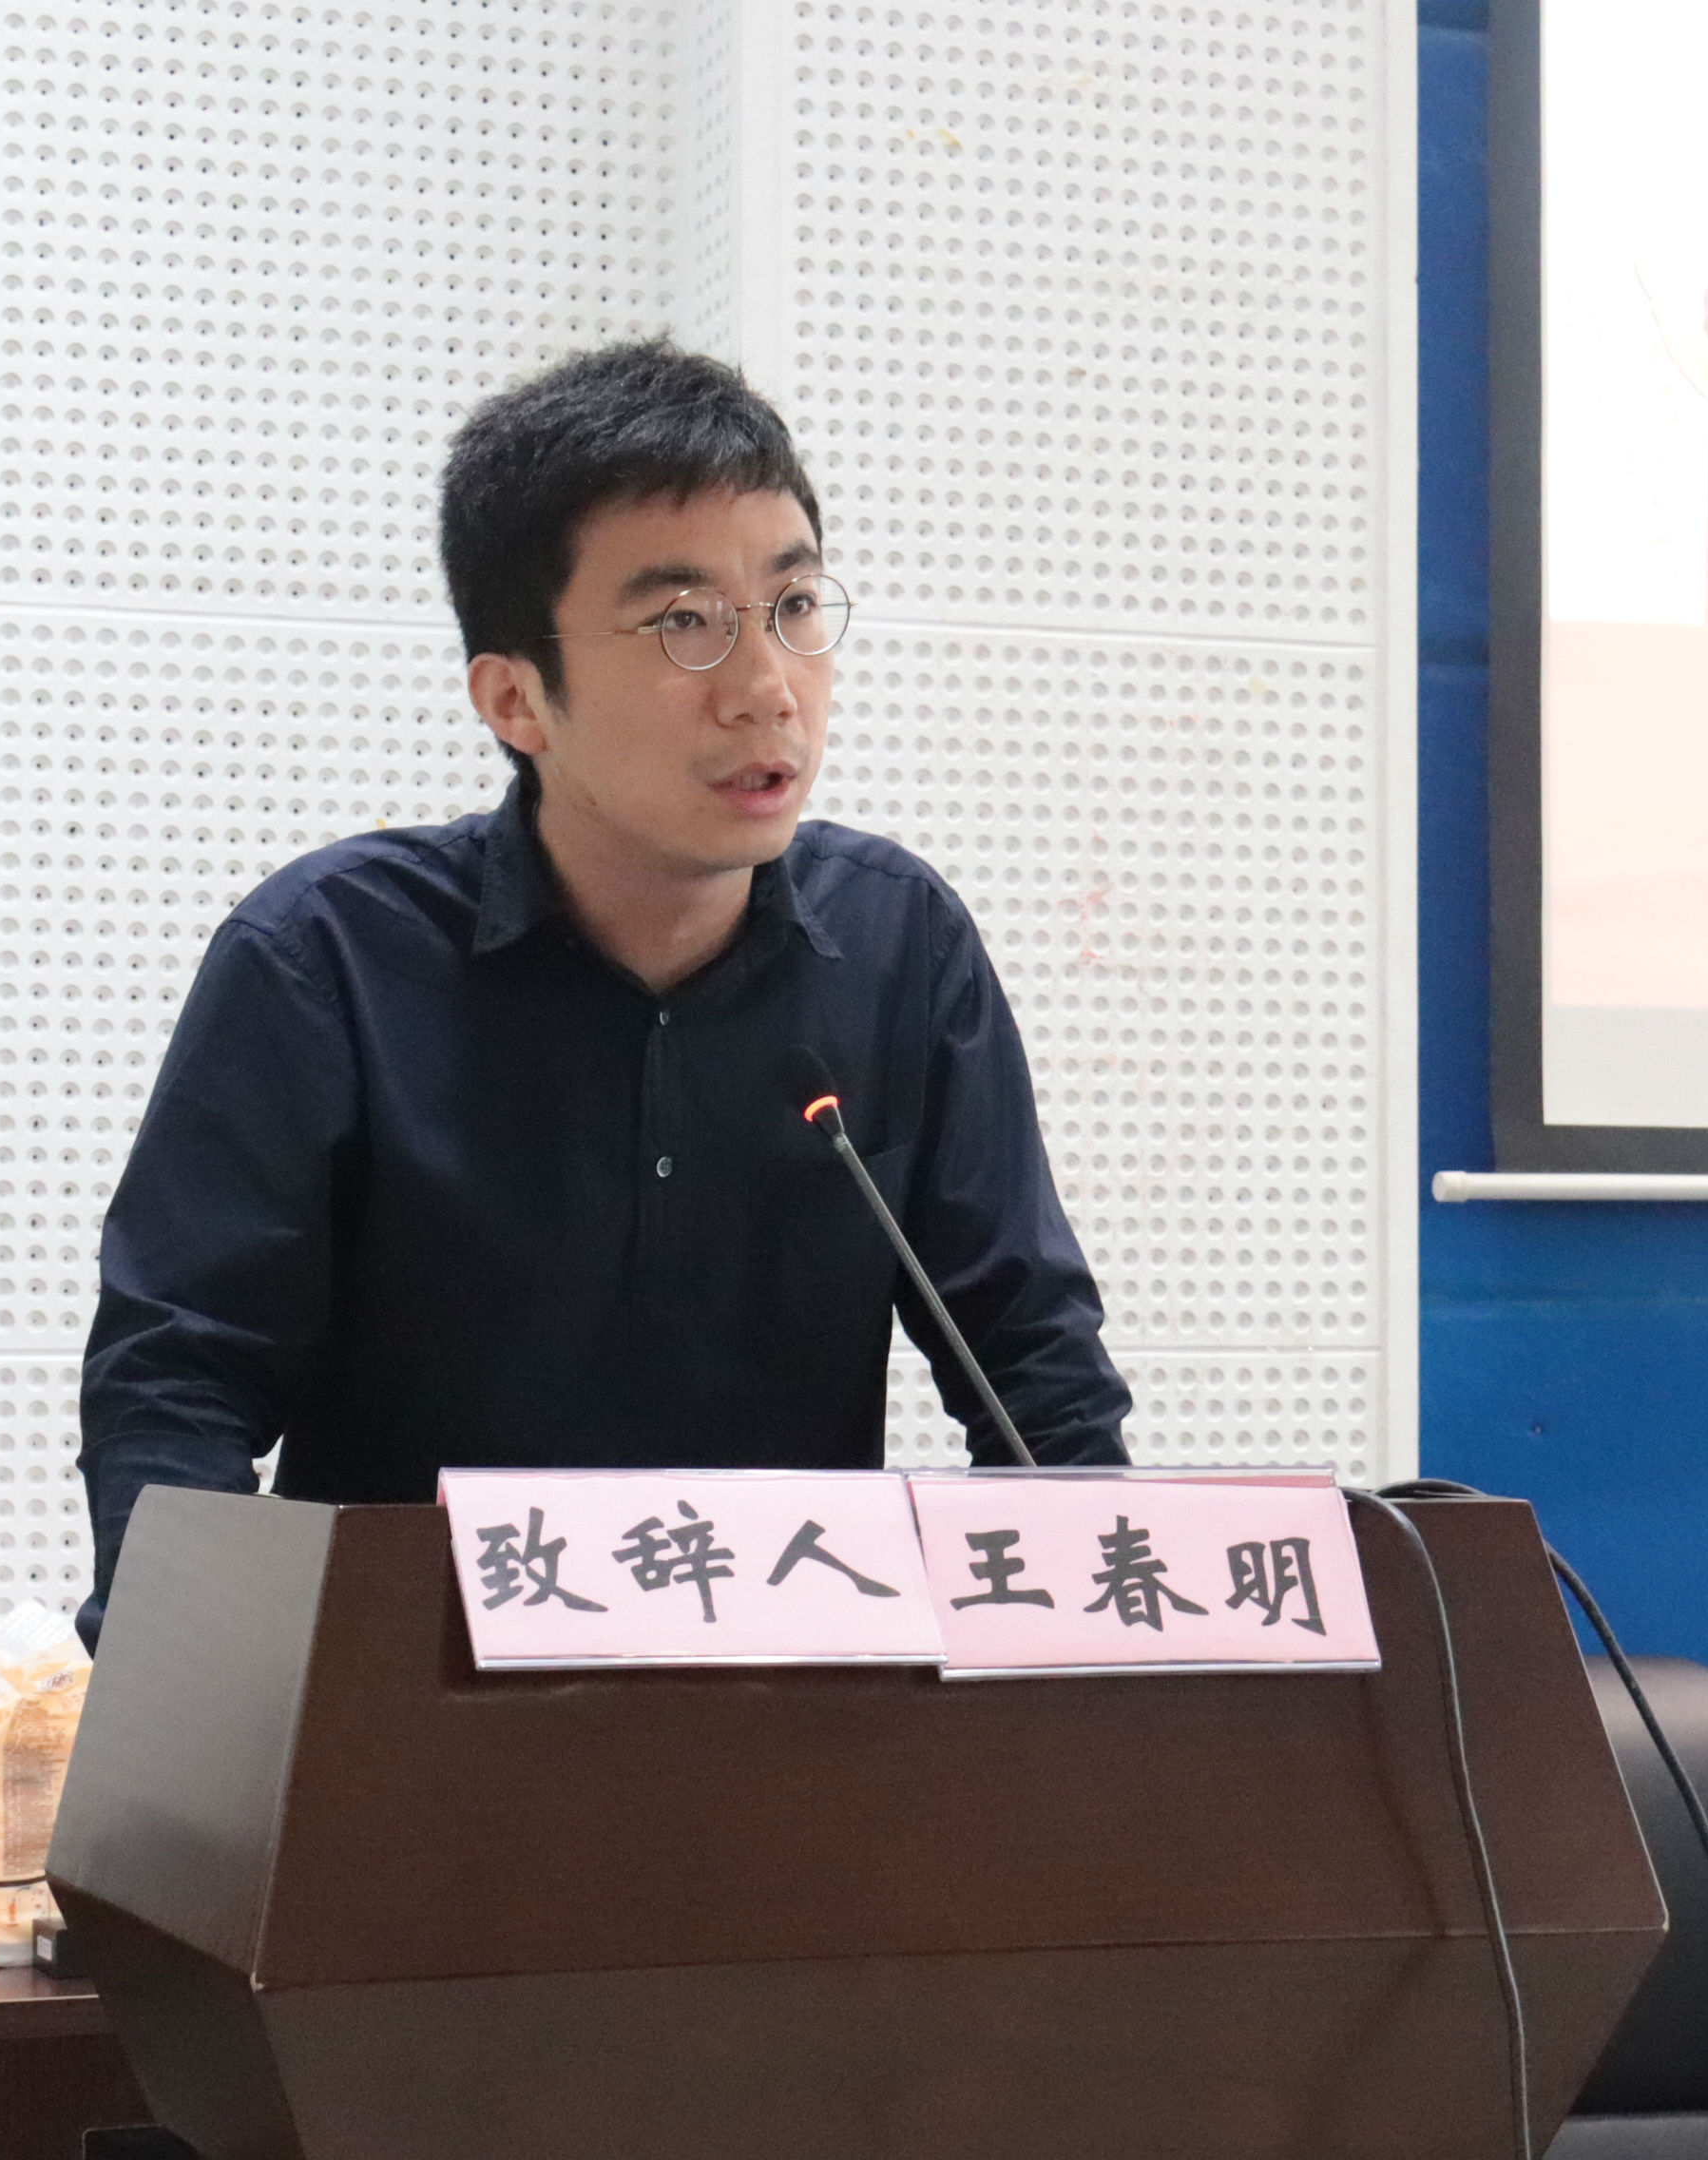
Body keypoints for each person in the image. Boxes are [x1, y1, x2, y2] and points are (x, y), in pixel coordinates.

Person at [75, 339, 1129, 1639]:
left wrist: (1107, 1668)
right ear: (517, 699)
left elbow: (1033, 1364)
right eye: (684, 623)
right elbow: (179, 1383)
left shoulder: (900, 946)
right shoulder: (325, 962)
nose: (768, 690)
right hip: (415, 1700)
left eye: (794, 606)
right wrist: (195, 1675)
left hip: (791, 1697)